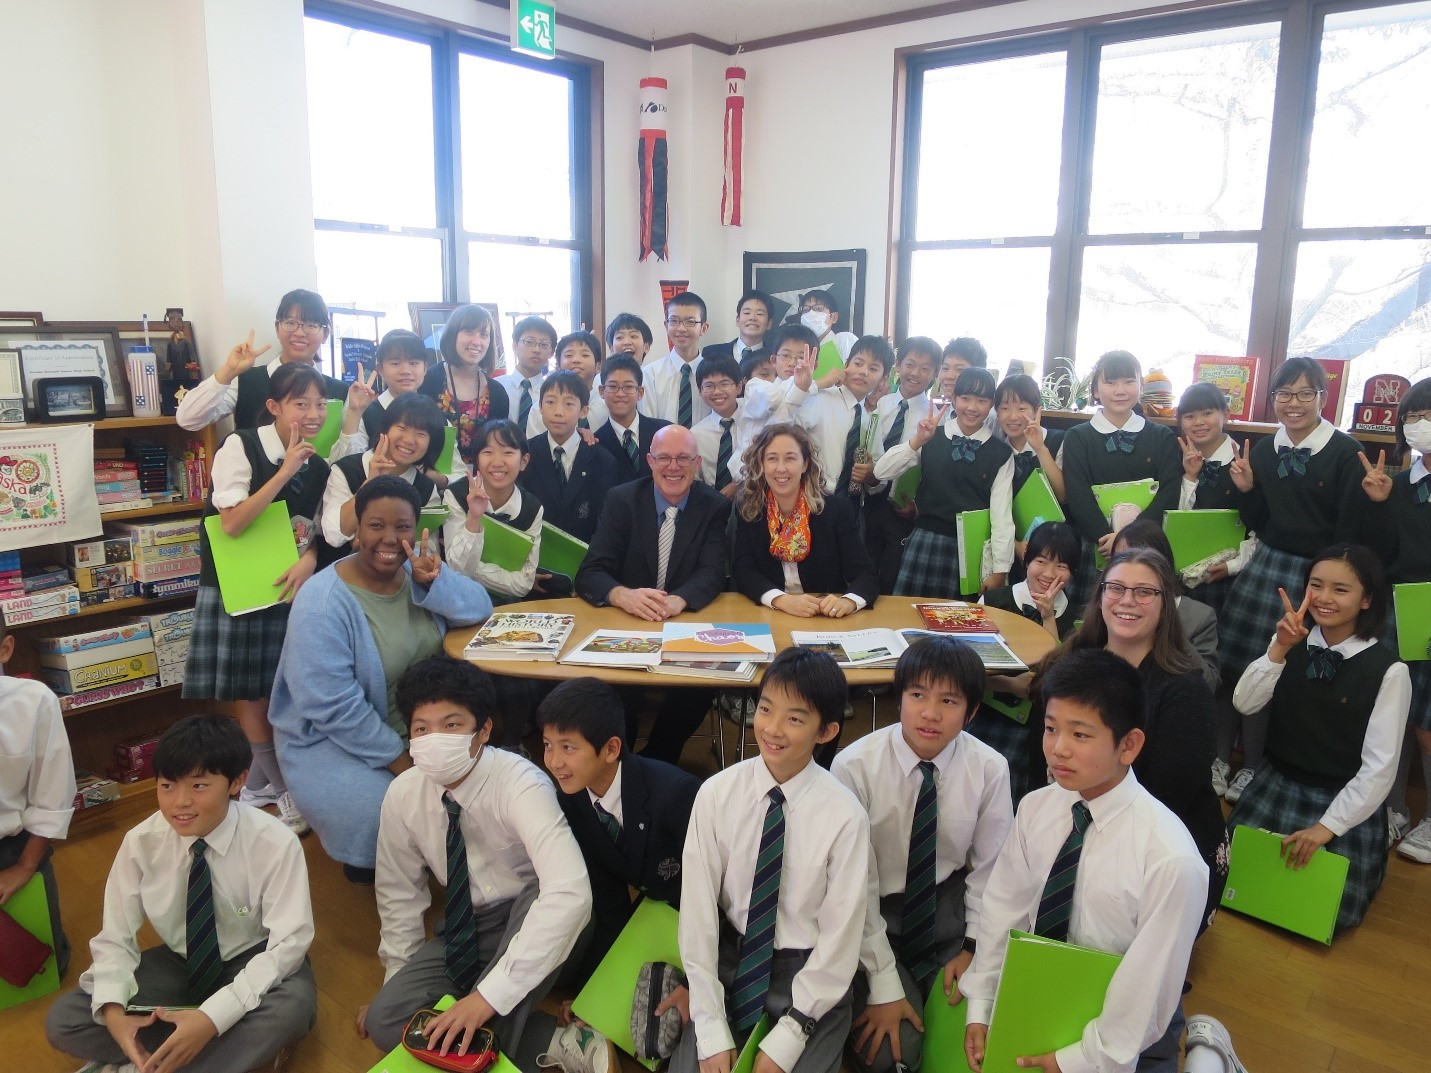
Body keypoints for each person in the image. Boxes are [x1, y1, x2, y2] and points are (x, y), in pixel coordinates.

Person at [961, 649, 1214, 1073]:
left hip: (1126, 1032)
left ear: (1129, 745)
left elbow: (1146, 993)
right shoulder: (1037, 808)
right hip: (1041, 991)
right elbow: (1003, 909)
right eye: (1050, 728)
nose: (1058, 749)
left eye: (1080, 735)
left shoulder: (1171, 859)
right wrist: (983, 1004)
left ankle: (1212, 1054)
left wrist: (1077, 1060)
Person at [361, 656, 606, 1073]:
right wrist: (399, 977)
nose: (434, 739)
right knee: (386, 1018)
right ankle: (555, 1038)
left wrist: (484, 999)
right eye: (422, 728)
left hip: (534, 918)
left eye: (452, 725)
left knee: (538, 897)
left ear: (484, 730)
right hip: (465, 928)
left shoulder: (520, 782)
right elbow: (399, 893)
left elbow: (569, 893)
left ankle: (480, 1025)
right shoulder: (403, 795)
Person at [45, 715, 316, 1073]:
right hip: (180, 961)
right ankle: (207, 1053)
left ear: (237, 782)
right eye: (167, 785)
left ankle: (153, 1059)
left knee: (293, 1007)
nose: (180, 802)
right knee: (66, 1020)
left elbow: (288, 944)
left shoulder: (275, 843)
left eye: (200, 785)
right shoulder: (141, 843)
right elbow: (115, 938)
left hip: (252, 957)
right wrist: (113, 1014)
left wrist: (212, 1018)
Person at [267, 476, 493, 882]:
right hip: (334, 739)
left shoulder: (415, 570)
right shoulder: (321, 602)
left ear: (416, 529)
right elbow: (332, 707)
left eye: (402, 527)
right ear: (356, 529)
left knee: (486, 789)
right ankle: (374, 863)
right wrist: (406, 766)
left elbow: (480, 607)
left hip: (418, 723)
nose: (389, 538)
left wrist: (435, 582)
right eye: (376, 525)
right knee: (385, 811)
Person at [673, 648, 868, 1073]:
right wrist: (708, 1021)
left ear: (826, 731)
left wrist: (795, 1028)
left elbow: (841, 937)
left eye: (795, 718)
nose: (773, 729)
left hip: (809, 976)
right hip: (730, 961)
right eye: (765, 709)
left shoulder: (845, 816)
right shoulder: (716, 794)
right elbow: (698, 914)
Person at [831, 637, 1013, 1073]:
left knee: (983, 1036)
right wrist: (884, 983)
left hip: (944, 910)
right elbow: (852, 888)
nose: (930, 714)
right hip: (870, 917)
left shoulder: (990, 768)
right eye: (917, 696)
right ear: (899, 699)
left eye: (949, 701)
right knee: (895, 1055)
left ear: (971, 712)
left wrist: (974, 947)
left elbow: (992, 872)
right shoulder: (854, 766)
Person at [1025, 549, 1229, 928]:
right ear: (1100, 595)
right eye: (1116, 588)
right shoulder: (1069, 660)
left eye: (1144, 592)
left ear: (1166, 603)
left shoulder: (1186, 690)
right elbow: (1042, 755)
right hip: (1072, 811)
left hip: (1152, 837)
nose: (1127, 601)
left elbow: (1170, 795)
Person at [1228, 544, 1411, 931]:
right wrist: (1279, 648)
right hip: (1276, 786)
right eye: (1316, 586)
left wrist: (1325, 829)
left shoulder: (1389, 670)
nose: (1324, 598)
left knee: (1331, 917)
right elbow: (1244, 703)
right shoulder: (1292, 641)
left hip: (1342, 801)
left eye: (1341, 589)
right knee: (1231, 883)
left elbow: (1380, 769)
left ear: (1367, 600)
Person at [184, 362, 333, 835]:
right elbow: (231, 521)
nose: (311, 414)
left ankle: (276, 783)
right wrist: (285, 469)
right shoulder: (241, 445)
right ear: (273, 407)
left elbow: (315, 528)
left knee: (283, 689)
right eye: (299, 404)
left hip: (288, 584)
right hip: (240, 584)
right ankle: (283, 791)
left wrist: (310, 558)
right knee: (252, 692)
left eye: (318, 405)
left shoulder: (322, 464)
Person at [1219, 358, 1364, 806]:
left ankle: (1260, 765)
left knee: (1291, 671)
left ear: (1324, 398)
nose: (1294, 403)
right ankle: (1221, 758)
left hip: (1318, 575)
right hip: (1267, 565)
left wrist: (1327, 584)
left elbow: (1350, 529)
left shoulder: (1345, 452)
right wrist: (1246, 491)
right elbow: (1262, 521)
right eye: (1285, 393)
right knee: (1237, 661)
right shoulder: (1263, 450)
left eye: (1306, 393)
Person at [574, 425, 731, 762]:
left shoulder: (714, 506)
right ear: (649, 461)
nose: (673, 467)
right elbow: (590, 572)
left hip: (682, 623)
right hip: (629, 623)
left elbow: (713, 572)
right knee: (617, 692)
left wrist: (680, 599)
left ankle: (661, 758)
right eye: (664, 458)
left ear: (696, 462)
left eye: (683, 459)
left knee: (701, 684)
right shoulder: (622, 499)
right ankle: (623, 761)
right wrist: (621, 595)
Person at [538, 676, 701, 981]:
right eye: (548, 745)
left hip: (706, 911)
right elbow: (609, 901)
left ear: (611, 748)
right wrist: (596, 988)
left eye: (568, 747)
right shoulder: (571, 801)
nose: (554, 761)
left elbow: (718, 889)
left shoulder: (676, 794)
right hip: (656, 909)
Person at [1356, 378, 1431, 860]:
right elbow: (1380, 556)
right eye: (1414, 417)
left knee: (1428, 726)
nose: (1420, 425)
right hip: (1399, 609)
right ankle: (1392, 808)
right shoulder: (1397, 485)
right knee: (1392, 714)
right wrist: (1379, 506)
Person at [875, 368, 1015, 599]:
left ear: (991, 405)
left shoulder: (1000, 453)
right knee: (909, 617)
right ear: (954, 399)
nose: (972, 407)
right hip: (924, 541)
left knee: (959, 626)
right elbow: (882, 471)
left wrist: (1000, 569)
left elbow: (1002, 517)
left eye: (981, 401)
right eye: (966, 398)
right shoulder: (932, 436)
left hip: (971, 551)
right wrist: (917, 441)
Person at [1059, 350, 1182, 608]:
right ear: (1095, 390)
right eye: (1110, 382)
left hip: (1147, 549)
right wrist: (1107, 538)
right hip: (1094, 547)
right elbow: (1078, 494)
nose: (1120, 390)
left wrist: (1127, 539)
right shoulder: (1078, 437)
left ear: (1141, 386)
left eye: (1128, 381)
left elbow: (1170, 492)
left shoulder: (1161, 437)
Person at [176, 289, 365, 450]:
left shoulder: (341, 392)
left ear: (325, 335)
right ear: (277, 328)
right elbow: (188, 419)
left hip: (316, 491)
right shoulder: (246, 380)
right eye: (290, 323)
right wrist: (229, 370)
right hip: (254, 490)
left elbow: (345, 461)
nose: (299, 332)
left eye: (311, 325)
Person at [731, 423, 879, 617]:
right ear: (761, 464)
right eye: (772, 459)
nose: (781, 468)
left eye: (790, 458)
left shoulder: (835, 510)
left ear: (805, 464)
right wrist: (781, 600)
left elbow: (866, 575)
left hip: (821, 617)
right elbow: (743, 571)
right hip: (771, 614)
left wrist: (848, 602)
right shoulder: (750, 509)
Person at [0, 618, 75, 975]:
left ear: (5, 649)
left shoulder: (34, 702)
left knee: (44, 965)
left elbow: (53, 797)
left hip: (15, 847)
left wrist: (25, 866)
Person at [319, 392, 447, 565]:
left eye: (421, 434)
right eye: (401, 428)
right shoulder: (347, 470)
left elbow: (426, 550)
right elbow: (333, 535)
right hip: (340, 574)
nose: (409, 440)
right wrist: (369, 484)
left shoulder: (425, 488)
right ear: (385, 429)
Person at [1173, 382, 1256, 616]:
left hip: (1228, 578)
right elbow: (1175, 518)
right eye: (1190, 416)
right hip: (1180, 573)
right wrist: (1189, 476)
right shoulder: (1174, 458)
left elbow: (1259, 527)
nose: (1199, 422)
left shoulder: (1246, 464)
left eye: (1208, 413)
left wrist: (1232, 566)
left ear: (1225, 414)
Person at [1111, 519, 1221, 693]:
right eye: (1119, 558)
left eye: (1143, 558)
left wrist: (1169, 625)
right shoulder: (1110, 606)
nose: (1130, 565)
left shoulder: (1199, 616)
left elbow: (1209, 685)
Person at [865, 337, 939, 591]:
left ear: (934, 374)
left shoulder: (933, 416)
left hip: (902, 505)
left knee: (890, 576)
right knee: (863, 566)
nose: (916, 373)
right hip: (866, 498)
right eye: (910, 364)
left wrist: (917, 505)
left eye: (925, 368)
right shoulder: (878, 404)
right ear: (898, 365)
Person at [444, 418, 545, 603]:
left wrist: (474, 569)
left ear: (523, 461)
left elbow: (523, 584)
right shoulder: (456, 495)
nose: (497, 462)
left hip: (509, 606)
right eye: (488, 452)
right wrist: (474, 517)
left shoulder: (532, 508)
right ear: (477, 459)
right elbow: (456, 571)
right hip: (460, 600)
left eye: (508, 452)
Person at [520, 371, 619, 544]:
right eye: (550, 402)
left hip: (587, 560)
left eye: (568, 404)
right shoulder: (526, 455)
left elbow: (606, 523)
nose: (558, 412)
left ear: (583, 411)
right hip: (535, 558)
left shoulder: (602, 460)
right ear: (540, 407)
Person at [789, 335, 893, 499]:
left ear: (883, 379)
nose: (863, 372)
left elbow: (878, 480)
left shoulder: (869, 420)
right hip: (810, 499)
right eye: (857, 363)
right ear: (846, 365)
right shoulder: (819, 399)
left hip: (848, 509)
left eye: (873, 369)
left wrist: (870, 475)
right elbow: (784, 424)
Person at [420, 303, 511, 473]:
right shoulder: (428, 380)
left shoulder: (497, 393)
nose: (476, 341)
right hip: (430, 479)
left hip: (481, 480)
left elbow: (498, 445)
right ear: (452, 335)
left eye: (484, 335)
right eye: (469, 332)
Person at [692, 353, 797, 497]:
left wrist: (738, 483)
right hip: (712, 505)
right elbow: (694, 479)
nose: (717, 392)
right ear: (700, 391)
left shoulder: (758, 416)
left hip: (761, 499)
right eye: (709, 386)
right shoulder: (695, 434)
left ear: (739, 386)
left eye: (724, 384)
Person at [993, 373, 1066, 581]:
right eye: (1005, 408)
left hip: (1055, 550)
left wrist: (1040, 449)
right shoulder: (996, 451)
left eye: (1022, 408)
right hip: (1013, 549)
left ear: (1036, 410)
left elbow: (1062, 495)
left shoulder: (1058, 440)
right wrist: (1015, 545)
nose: (1013, 416)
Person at [592, 354, 671, 484]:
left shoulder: (663, 432)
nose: (620, 394)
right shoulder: (595, 443)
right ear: (601, 391)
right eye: (612, 386)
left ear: (640, 392)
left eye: (628, 387)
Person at [641, 291, 712, 427]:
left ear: (703, 328)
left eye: (690, 322)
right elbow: (647, 424)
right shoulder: (651, 374)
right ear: (666, 326)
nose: (681, 328)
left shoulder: (714, 375)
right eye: (674, 321)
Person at [363, 329, 434, 444]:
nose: (405, 371)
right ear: (380, 369)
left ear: (425, 368)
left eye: (413, 363)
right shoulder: (365, 415)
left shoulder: (435, 415)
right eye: (395, 363)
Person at [497, 316, 557, 434]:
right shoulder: (496, 386)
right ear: (515, 346)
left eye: (544, 344)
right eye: (529, 342)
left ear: (551, 352)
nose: (536, 349)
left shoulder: (554, 392)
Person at [703, 289, 774, 366]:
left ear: (769, 324)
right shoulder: (711, 353)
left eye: (759, 314)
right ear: (737, 320)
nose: (752, 318)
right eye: (747, 313)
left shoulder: (775, 359)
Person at [798, 289, 859, 373]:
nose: (811, 313)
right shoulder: (798, 349)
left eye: (818, 308)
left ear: (833, 317)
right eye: (805, 310)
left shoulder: (843, 340)